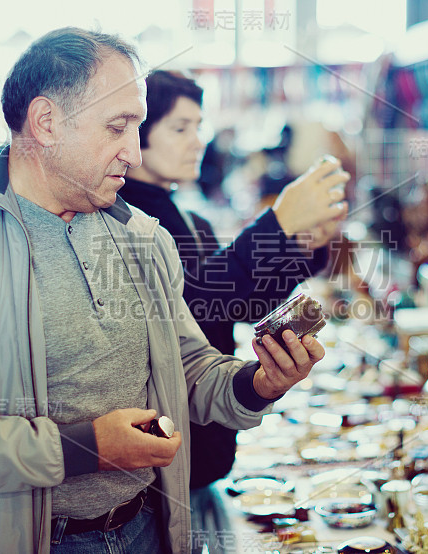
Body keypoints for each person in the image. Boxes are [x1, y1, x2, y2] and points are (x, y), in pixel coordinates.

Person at [0, 28, 325, 554]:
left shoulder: (141, 236)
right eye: (117, 127)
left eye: (138, 127)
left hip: (148, 529)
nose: (134, 151)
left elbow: (186, 368)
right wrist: (89, 448)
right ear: (47, 122)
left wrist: (257, 383)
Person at [119, 70, 348, 553]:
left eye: (199, 126)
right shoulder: (127, 221)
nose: (197, 142)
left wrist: (306, 246)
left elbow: (237, 302)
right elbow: (198, 302)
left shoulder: (190, 217)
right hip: (167, 451)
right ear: (137, 131)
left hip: (209, 431)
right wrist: (280, 223)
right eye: (180, 128)